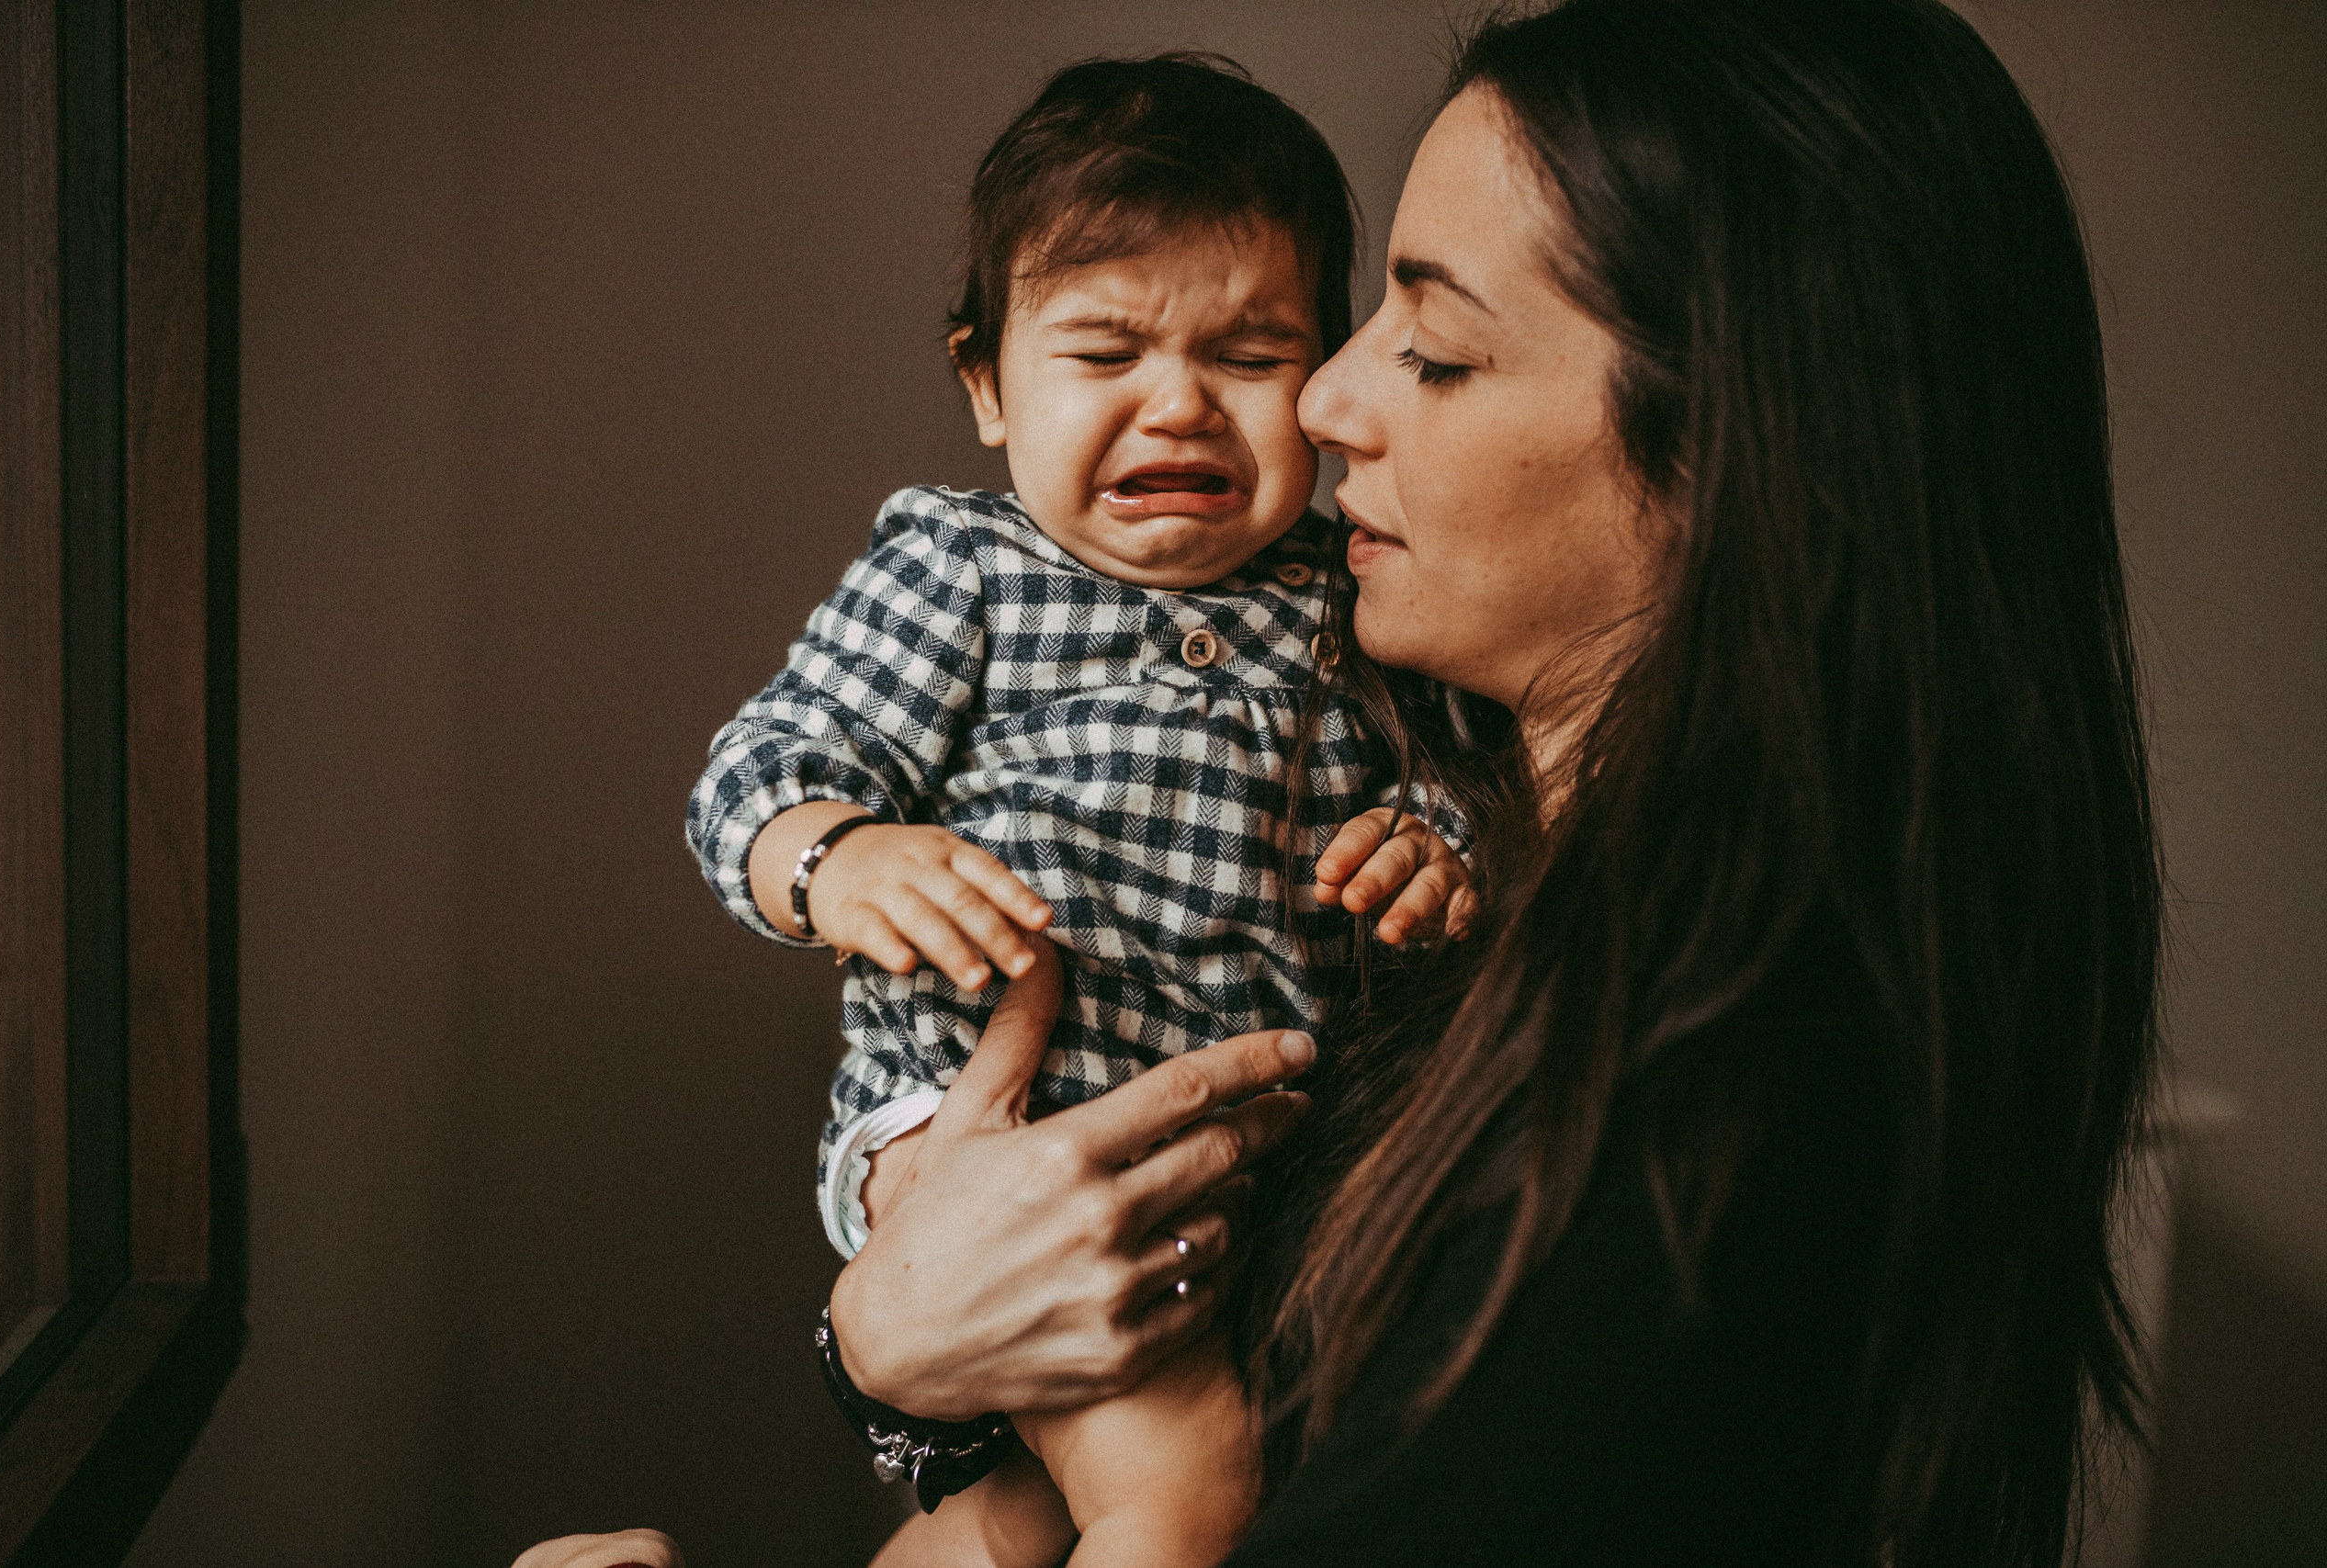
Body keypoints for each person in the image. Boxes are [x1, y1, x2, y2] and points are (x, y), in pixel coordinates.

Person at [540, 0, 2158, 1561]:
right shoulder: (1509, 913)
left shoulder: (1689, 1124)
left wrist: (901, 1344)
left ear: (1733, 447)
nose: (1320, 403)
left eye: (1432, 350)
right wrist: (894, 1344)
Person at [683, 53, 1468, 1568]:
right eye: (1105, 353)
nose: (1178, 405)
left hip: (1236, 1167)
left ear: (1320, 378)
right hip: (981, 1133)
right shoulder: (961, 568)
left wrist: (1438, 843)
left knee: (1020, 1517)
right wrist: (837, 856)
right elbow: (761, 767)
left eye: (1250, 354)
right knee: (1191, 1496)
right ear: (986, 384)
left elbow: (1457, 771)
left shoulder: (1349, 593)